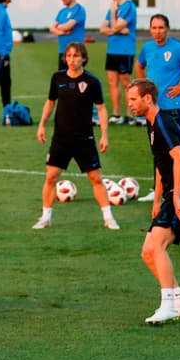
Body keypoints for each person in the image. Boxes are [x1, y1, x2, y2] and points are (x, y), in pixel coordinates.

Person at [126, 79, 180, 324]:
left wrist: (175, 197)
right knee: (148, 253)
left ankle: (167, 306)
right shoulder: (151, 123)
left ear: (147, 98)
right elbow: (160, 163)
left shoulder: (164, 123)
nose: (130, 104)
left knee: (157, 247)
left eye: (133, 99)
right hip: (169, 195)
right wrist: (156, 199)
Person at [31, 42, 118, 230]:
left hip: (83, 138)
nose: (72, 59)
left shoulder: (93, 82)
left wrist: (104, 135)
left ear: (84, 58)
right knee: (51, 177)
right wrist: (41, 125)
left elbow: (101, 109)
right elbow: (50, 102)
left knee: (95, 178)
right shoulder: (57, 78)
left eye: (76, 56)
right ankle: (45, 218)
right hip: (60, 138)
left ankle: (108, 218)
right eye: (69, 56)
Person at [134, 13, 180, 137]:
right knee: (157, 149)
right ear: (150, 29)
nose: (157, 31)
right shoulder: (147, 47)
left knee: (176, 148)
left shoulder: (177, 47)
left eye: (161, 28)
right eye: (154, 28)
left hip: (172, 107)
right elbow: (139, 65)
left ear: (167, 29)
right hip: (152, 107)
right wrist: (144, 86)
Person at [98, 0, 137, 124]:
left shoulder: (128, 6)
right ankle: (116, 114)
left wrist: (114, 16)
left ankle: (130, 115)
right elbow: (103, 29)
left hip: (125, 51)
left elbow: (115, 25)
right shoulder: (113, 8)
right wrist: (118, 30)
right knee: (112, 81)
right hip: (112, 50)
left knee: (126, 83)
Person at [49, 0, 86, 71]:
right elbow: (52, 29)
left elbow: (68, 26)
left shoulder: (79, 9)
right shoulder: (62, 11)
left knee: (75, 80)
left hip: (76, 54)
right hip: (63, 52)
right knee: (62, 81)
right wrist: (62, 32)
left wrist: (59, 27)